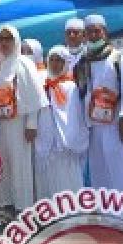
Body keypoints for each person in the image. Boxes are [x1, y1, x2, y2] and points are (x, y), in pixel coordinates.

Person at [75, 13, 123, 193]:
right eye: (90, 32)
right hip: (92, 126)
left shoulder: (118, 58)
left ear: (105, 32)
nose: (94, 35)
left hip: (113, 124)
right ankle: (103, 213)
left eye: (97, 31)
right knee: (97, 171)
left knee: (117, 169)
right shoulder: (83, 61)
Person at [0, 25, 46, 215]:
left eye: (8, 39)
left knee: (20, 165)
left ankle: (23, 208)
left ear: (15, 41)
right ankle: (6, 204)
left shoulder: (24, 64)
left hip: (19, 124)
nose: (4, 43)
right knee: (3, 165)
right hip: (0, 124)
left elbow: (33, 96)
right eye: (1, 39)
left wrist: (32, 124)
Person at [34, 46, 89, 199]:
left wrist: (71, 138)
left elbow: (75, 116)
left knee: (67, 180)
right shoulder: (42, 84)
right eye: (52, 59)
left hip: (65, 144)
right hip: (46, 140)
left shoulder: (71, 87)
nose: (55, 63)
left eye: (59, 60)